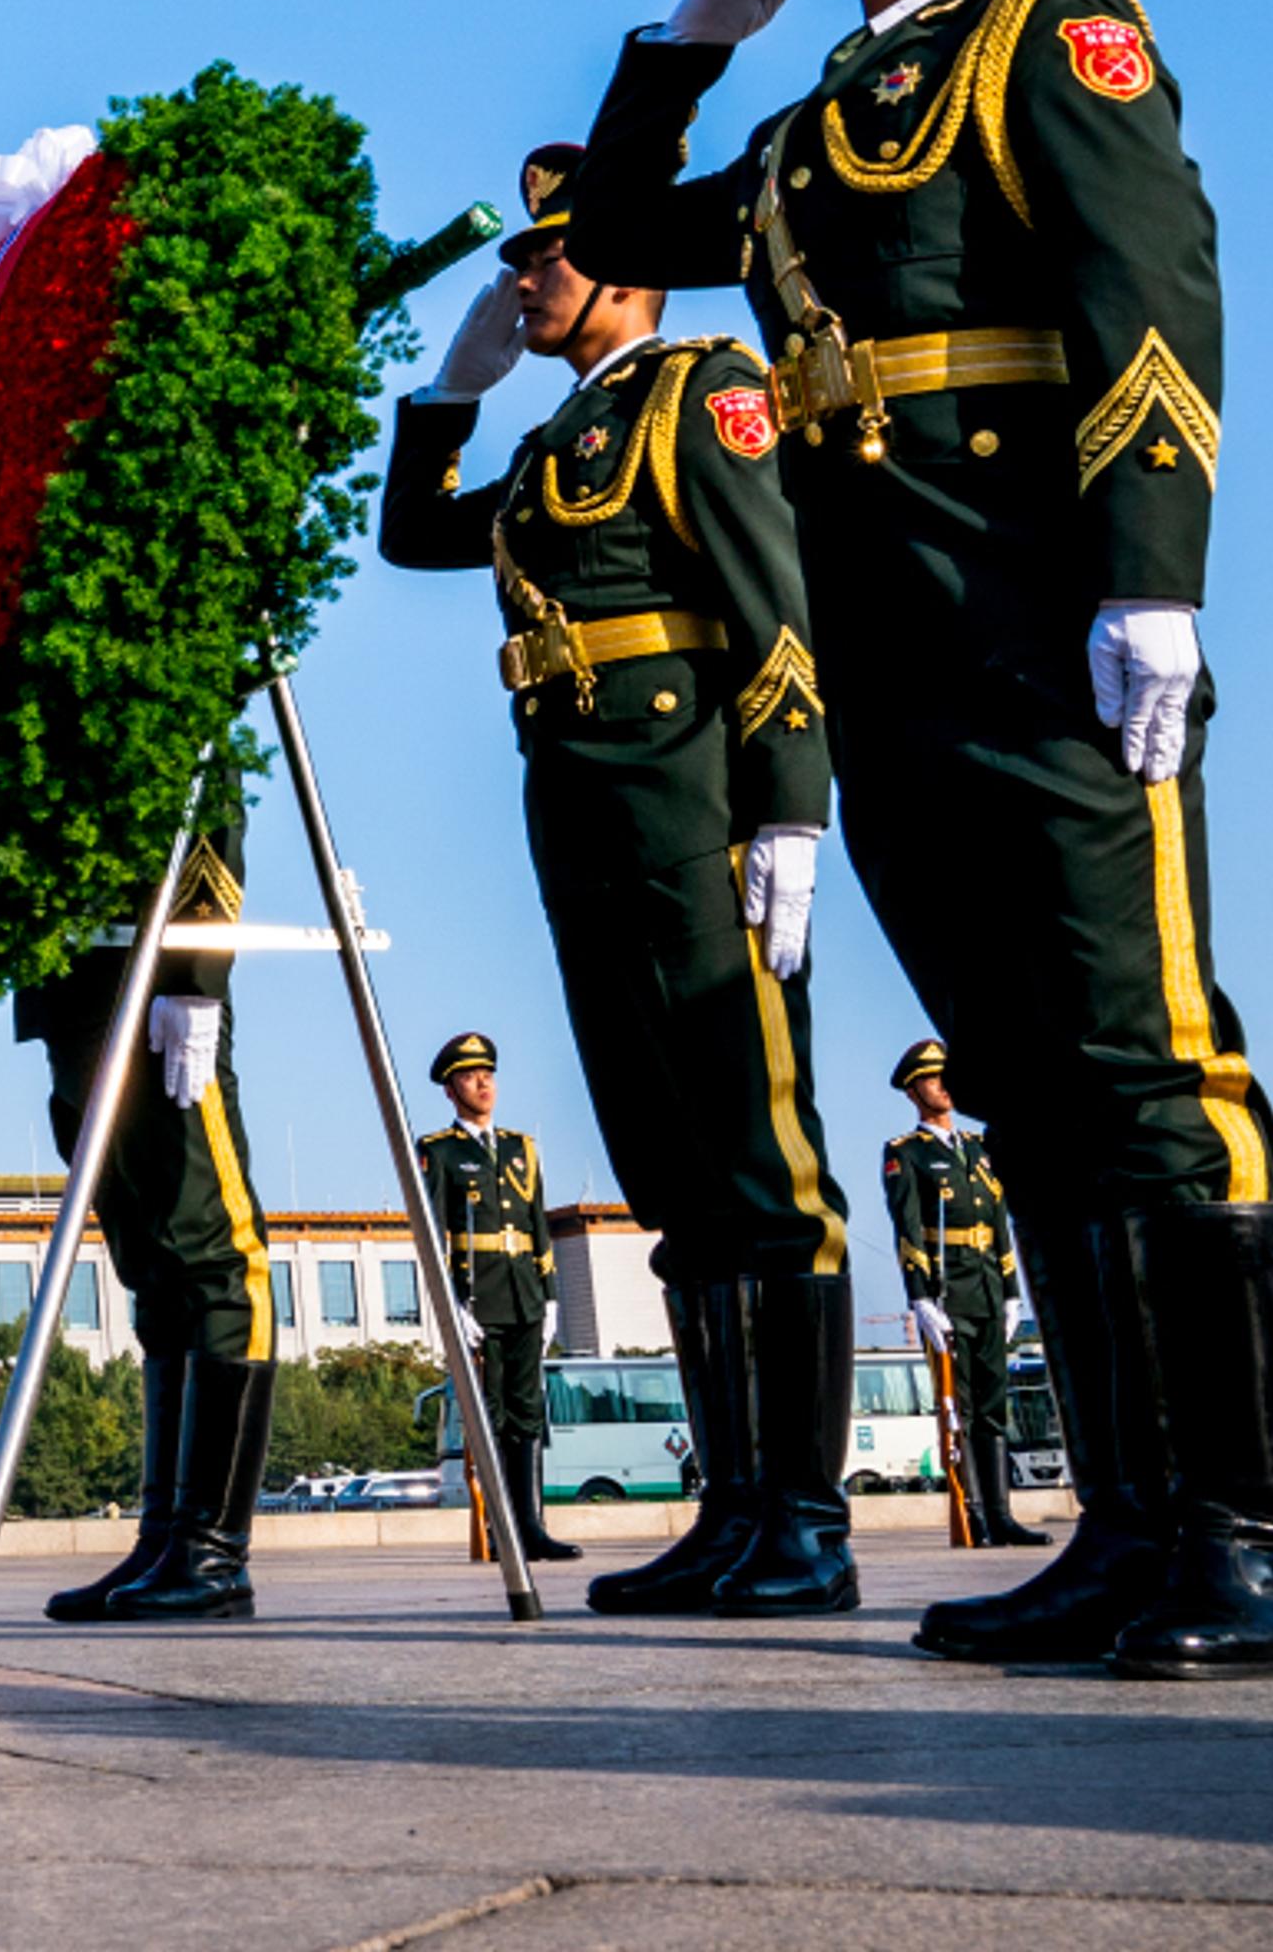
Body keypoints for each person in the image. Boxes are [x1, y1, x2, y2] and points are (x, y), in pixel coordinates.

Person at [568, 0, 1264, 1675]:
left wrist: (1155, 583)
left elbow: (1158, 281)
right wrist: (700, 20)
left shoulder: (1048, 27)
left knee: (1147, 1070)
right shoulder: (800, 142)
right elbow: (617, 230)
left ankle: (1249, 1525)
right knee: (1035, 1102)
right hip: (897, 664)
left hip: (1047, 625)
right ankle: (1130, 1530)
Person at [380, 149, 852, 1607]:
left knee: (759, 1157)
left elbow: (778, 599)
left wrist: (791, 809)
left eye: (550, 260)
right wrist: (448, 391)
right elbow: (411, 535)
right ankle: (734, 1510)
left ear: (630, 271)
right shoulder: (553, 447)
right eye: (518, 263)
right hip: (583, 816)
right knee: (675, 1169)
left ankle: (808, 1524)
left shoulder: (700, 391)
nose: (524, 281)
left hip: (698, 806)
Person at [24, 812, 281, 1624]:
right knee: (151, 1266)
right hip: (74, 983)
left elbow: (208, 783)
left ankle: (213, 1551)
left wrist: (195, 972)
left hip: (153, 972)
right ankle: (165, 1536)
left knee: (212, 1253)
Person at [407, 1039, 587, 1571]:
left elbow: (538, 1227)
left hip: (524, 1291)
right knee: (491, 1414)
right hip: (478, 1296)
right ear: (450, 1089)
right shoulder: (438, 1150)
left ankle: (532, 1526)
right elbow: (432, 1233)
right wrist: (451, 1305)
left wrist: (550, 1294)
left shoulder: (521, 1148)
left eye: (488, 1074)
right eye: (470, 1077)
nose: (483, 1083)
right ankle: (498, 1524)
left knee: (528, 1414)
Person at [890, 1039, 1049, 1551]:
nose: (944, 1086)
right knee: (958, 1407)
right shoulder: (905, 1154)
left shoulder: (979, 1150)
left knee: (993, 1404)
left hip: (984, 1288)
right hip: (947, 1293)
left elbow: (998, 1223)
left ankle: (1002, 1515)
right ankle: (973, 1513)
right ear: (914, 1090)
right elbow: (908, 1229)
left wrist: (1010, 1292)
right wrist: (920, 1298)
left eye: (945, 1077)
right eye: (933, 1079)